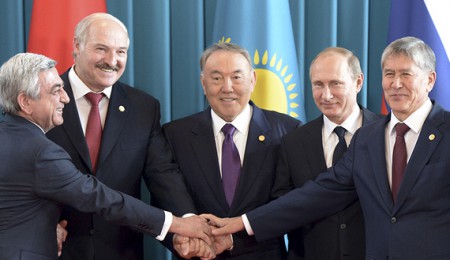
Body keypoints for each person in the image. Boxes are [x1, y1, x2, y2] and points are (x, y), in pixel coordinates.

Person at [205, 36, 450, 259]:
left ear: (430, 79)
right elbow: (318, 193)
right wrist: (243, 222)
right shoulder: (368, 138)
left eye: (406, 74)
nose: (396, 84)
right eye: (389, 74)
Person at [0, 52, 212, 260]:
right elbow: (100, 198)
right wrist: (177, 224)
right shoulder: (42, 152)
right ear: (25, 102)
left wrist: (42, 227)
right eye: (55, 91)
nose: (65, 98)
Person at [45, 13, 197, 260]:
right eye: (101, 49)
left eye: (121, 52)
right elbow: (16, 174)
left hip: (121, 250)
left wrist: (187, 224)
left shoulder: (143, 108)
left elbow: (162, 174)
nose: (112, 60)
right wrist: (38, 223)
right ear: (77, 46)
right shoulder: (41, 99)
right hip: (56, 248)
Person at [163, 42, 301, 259]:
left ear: (253, 79)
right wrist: (180, 241)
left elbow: (289, 207)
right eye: (216, 78)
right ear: (203, 83)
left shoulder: (287, 131)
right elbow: (165, 202)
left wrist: (234, 241)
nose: (227, 87)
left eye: (237, 77)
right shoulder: (175, 135)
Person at [271, 47, 380, 259]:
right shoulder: (293, 141)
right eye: (318, 85)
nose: (326, 95)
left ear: (358, 82)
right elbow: (282, 202)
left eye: (335, 84)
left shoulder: (386, 134)